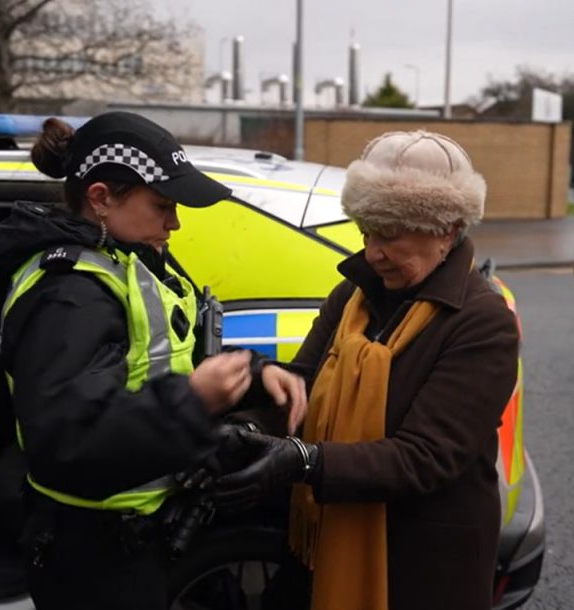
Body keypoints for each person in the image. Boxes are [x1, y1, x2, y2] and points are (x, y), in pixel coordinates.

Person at [0, 111, 306, 610]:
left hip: (134, 535)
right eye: (162, 205)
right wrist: (196, 400)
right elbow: (70, 439)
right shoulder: (69, 295)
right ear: (100, 198)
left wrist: (251, 375)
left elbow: (163, 360)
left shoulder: (127, 257)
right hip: (91, 556)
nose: (175, 221)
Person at [214, 130, 520, 610]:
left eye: (390, 234)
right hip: (328, 540)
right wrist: (249, 425)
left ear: (446, 228)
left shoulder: (483, 322)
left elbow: (424, 457)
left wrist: (304, 460)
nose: (372, 252)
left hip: (422, 568)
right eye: (366, 231)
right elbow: (304, 387)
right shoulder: (353, 296)